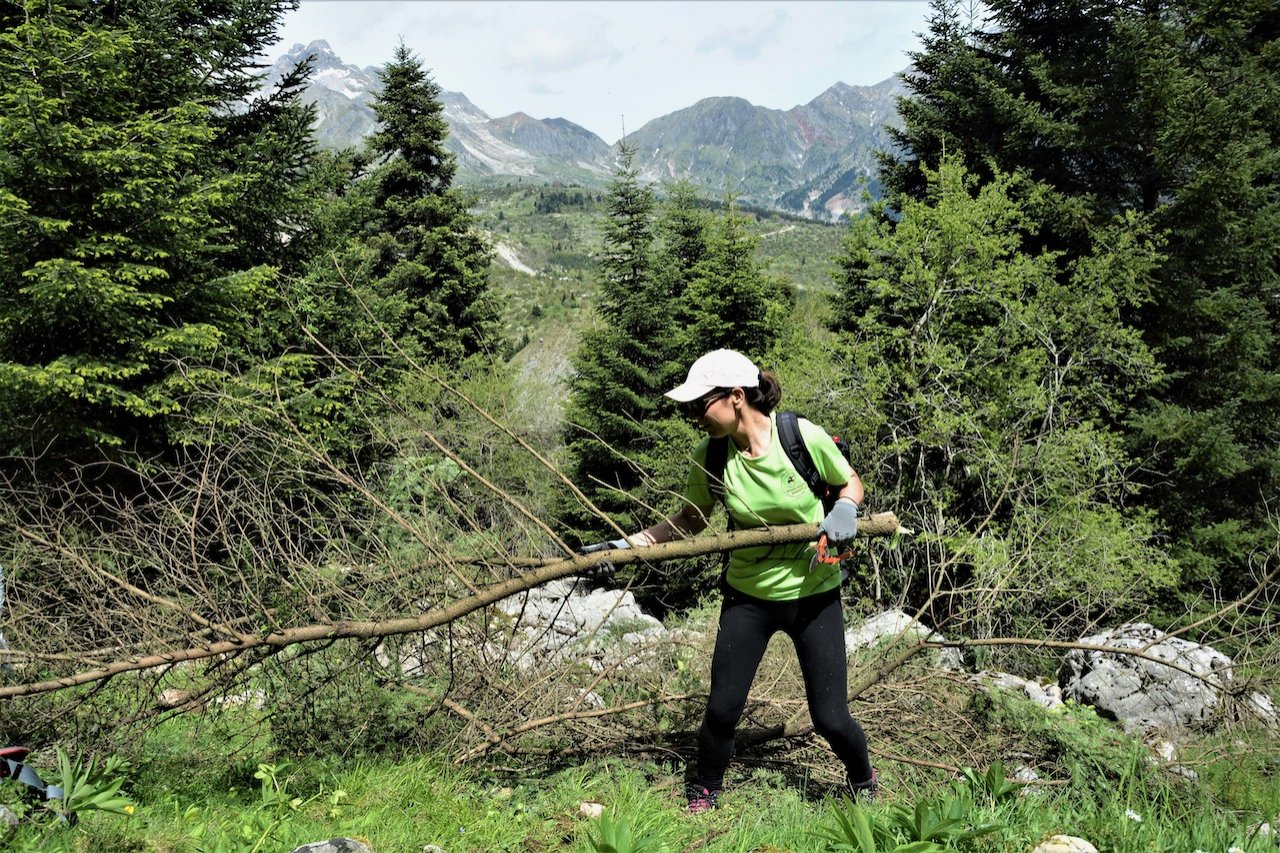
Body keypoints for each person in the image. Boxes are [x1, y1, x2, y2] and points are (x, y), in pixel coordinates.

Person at [580, 349, 876, 813]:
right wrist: (623, 548)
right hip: (748, 597)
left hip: (815, 595)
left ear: (737, 396)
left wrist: (845, 508)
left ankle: (863, 781)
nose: (694, 416)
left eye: (700, 405)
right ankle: (705, 790)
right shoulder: (713, 455)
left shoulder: (797, 436)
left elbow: (849, 481)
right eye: (689, 409)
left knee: (832, 718)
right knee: (721, 709)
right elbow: (688, 521)